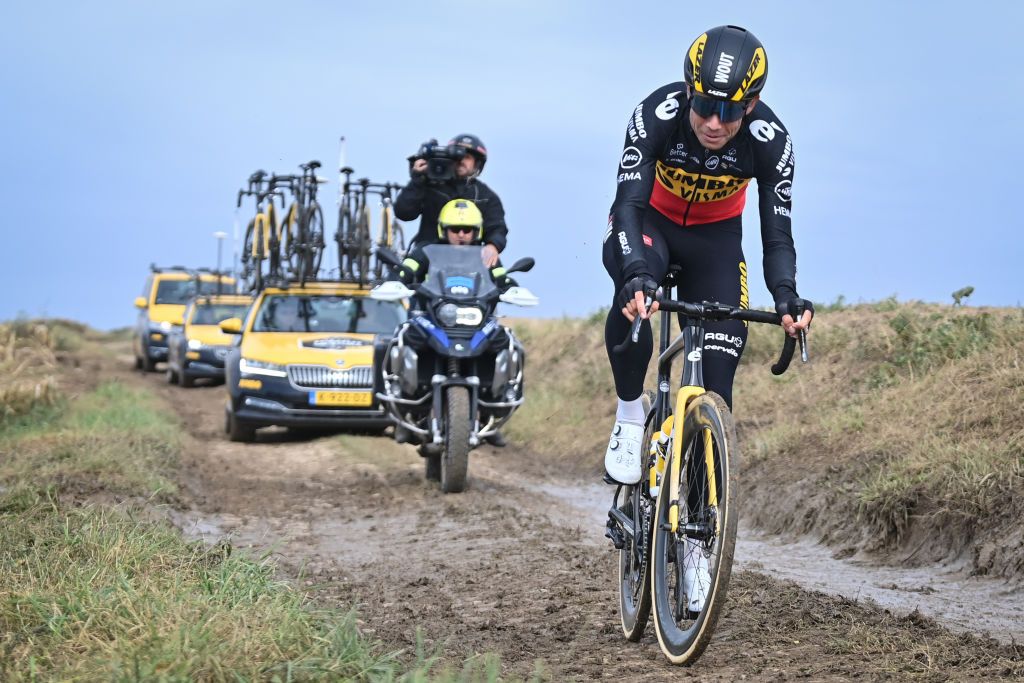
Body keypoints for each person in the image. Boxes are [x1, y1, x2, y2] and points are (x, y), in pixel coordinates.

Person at [602, 24, 814, 609]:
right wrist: (637, 273)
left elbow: (777, 231)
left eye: (728, 111)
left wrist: (788, 295)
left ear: (749, 105)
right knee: (634, 294)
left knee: (717, 385)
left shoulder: (771, 139)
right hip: (652, 226)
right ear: (689, 91)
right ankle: (628, 413)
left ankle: (698, 544)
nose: (713, 122)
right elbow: (626, 204)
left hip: (718, 243)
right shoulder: (657, 111)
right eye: (703, 105)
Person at [394, 198, 515, 448]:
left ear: (477, 231)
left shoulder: (486, 256)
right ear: (443, 230)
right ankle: (405, 406)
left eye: (467, 229)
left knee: (508, 342)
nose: (461, 235)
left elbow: (503, 280)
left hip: (476, 322)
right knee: (402, 337)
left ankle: (492, 412)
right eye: (455, 229)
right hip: (432, 319)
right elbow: (405, 270)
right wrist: (395, 281)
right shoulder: (426, 251)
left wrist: (514, 290)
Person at [394, 134, 508, 268]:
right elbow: (404, 213)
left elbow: (497, 228)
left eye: (467, 157)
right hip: (426, 264)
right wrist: (417, 180)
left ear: (477, 163)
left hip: (470, 267)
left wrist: (492, 245)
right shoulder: (429, 187)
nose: (461, 160)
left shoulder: (486, 196)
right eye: (457, 156)